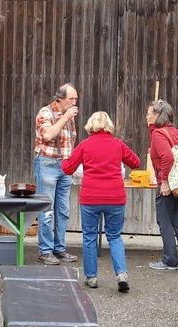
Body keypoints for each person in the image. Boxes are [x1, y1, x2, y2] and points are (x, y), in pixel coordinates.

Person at [60, 112, 140, 292]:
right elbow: (135, 162)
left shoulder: (85, 145)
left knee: (89, 236)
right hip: (115, 197)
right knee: (114, 236)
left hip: (91, 198)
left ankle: (92, 277)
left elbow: (67, 168)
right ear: (108, 126)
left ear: (91, 126)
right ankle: (121, 273)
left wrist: (65, 157)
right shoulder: (118, 144)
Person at [33, 83, 80, 266]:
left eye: (76, 98)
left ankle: (59, 249)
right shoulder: (45, 113)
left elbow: (70, 142)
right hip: (47, 164)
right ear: (60, 99)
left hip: (65, 166)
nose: (75, 102)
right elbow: (48, 136)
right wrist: (65, 117)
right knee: (47, 210)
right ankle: (45, 251)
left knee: (63, 210)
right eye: (71, 99)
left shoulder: (69, 115)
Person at [147, 99, 178, 272]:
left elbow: (168, 157)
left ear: (158, 115)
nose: (147, 116)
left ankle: (169, 260)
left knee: (165, 221)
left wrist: (165, 181)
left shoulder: (158, 134)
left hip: (168, 184)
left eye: (149, 113)